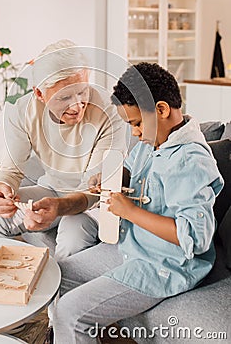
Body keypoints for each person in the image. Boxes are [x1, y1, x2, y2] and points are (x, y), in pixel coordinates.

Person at [51, 62, 224, 344]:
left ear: (162, 110)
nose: (134, 132)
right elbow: (130, 171)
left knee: (71, 312)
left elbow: (195, 237)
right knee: (54, 279)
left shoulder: (191, 160)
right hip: (133, 247)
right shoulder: (151, 144)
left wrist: (130, 211)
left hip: (165, 265)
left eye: (136, 123)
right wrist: (110, 179)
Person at [0, 40, 127, 260]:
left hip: (96, 202)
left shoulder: (109, 110)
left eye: (83, 92)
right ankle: (4, 281)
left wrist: (60, 207)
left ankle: (63, 293)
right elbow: (11, 168)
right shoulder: (21, 110)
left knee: (72, 236)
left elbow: (95, 188)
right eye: (64, 98)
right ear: (39, 94)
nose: (77, 106)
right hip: (54, 189)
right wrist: (1, 187)